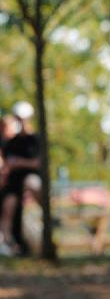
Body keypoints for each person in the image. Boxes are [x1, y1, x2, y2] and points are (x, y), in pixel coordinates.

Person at [0, 106, 40, 257]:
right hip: (13, 185)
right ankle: (10, 244)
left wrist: (18, 162)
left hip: (30, 183)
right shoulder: (10, 143)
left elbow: (38, 163)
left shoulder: (35, 140)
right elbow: (7, 166)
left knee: (32, 183)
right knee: (8, 207)